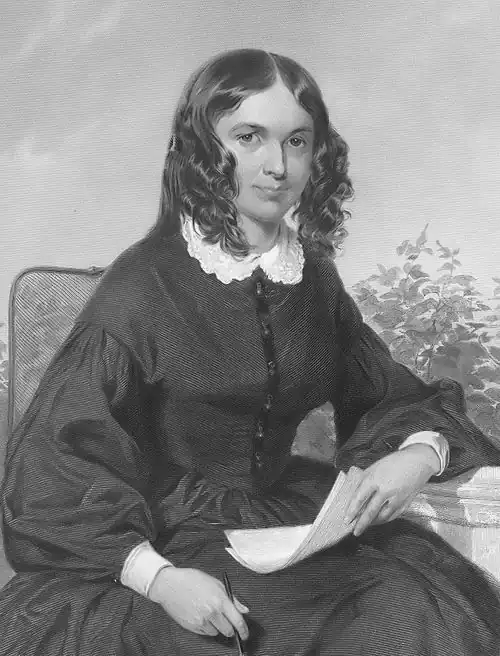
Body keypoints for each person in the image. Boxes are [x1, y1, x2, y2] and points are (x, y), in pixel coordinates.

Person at [1, 48, 500, 656]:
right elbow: (55, 460)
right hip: (169, 540)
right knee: (240, 635)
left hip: (287, 519)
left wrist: (418, 453)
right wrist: (158, 579)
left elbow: (384, 391)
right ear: (204, 149)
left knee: (416, 613)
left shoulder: (312, 278)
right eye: (249, 138)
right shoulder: (145, 282)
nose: (277, 166)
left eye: (297, 141)